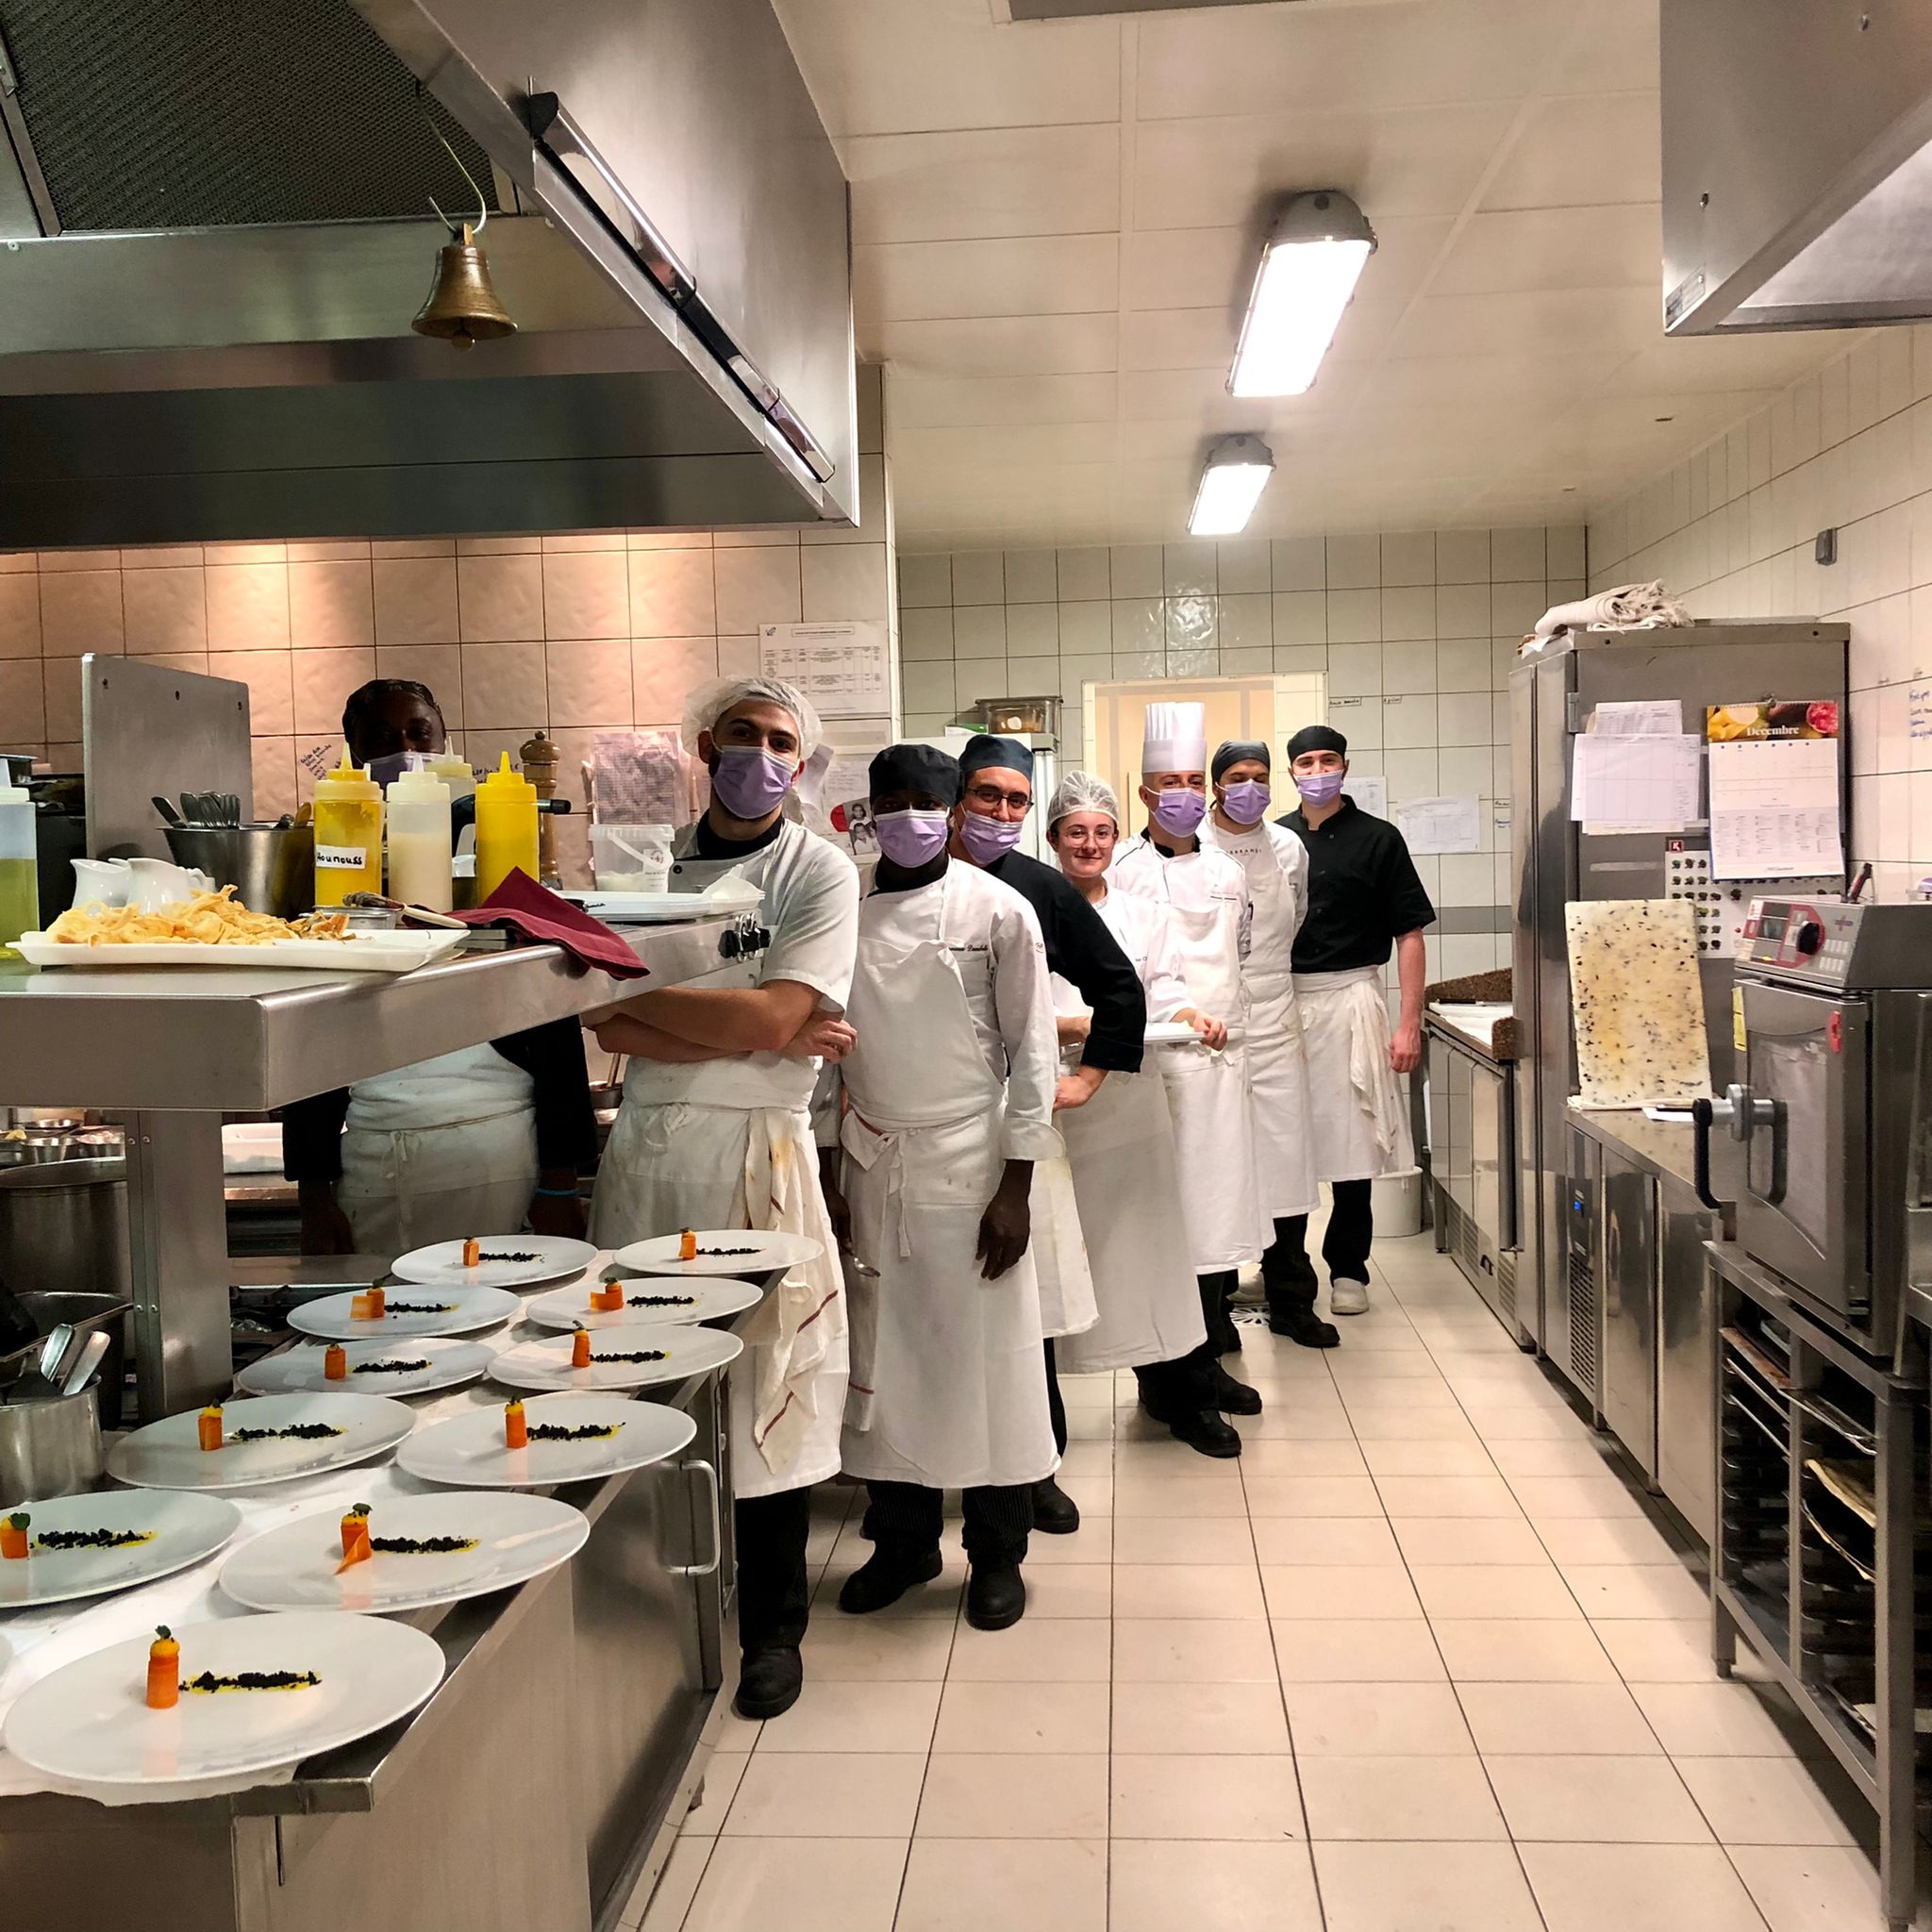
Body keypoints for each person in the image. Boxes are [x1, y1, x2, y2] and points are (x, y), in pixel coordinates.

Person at [587, 675, 859, 1722]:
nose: (762, 755)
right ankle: (656, 1610)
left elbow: (769, 1018)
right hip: (646, 1157)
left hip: (757, 1155)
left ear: (802, 759)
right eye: (743, 735)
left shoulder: (817, 871)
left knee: (760, 1388)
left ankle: (774, 1630)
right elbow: (599, 1024)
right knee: (642, 1381)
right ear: (706, 746)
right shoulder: (645, 861)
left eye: (781, 741)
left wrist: (663, 1007)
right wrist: (758, 1026)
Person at [820, 743, 1060, 1629]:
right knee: (889, 1360)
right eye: (893, 801)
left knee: (987, 1363)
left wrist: (1016, 1187)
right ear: (869, 811)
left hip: (973, 1160)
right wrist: (826, 1166)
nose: (910, 817)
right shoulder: (841, 908)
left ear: (953, 809)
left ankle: (997, 1553)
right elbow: (822, 1046)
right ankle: (903, 1542)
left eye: (928, 802)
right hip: (874, 1156)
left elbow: (1033, 1052)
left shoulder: (998, 909)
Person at [283, 680, 593, 1257]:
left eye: (418, 733)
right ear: (354, 754)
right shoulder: (329, 865)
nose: (404, 750)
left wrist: (559, 1183)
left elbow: (553, 1027)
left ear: (445, 740)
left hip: (501, 1144)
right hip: (374, 1154)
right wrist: (313, 1194)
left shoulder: (493, 853)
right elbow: (311, 1041)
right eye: (381, 739)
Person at [943, 732, 1146, 1536]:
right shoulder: (898, 883)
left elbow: (1119, 988)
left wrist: (1087, 1078)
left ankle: (1037, 1471)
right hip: (913, 1128)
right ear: (956, 799)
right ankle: (920, 1487)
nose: (1000, 813)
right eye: (985, 796)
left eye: (1016, 801)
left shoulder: (1038, 888)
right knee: (933, 1315)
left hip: (1011, 1125)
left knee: (1023, 1310)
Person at [1044, 773, 1239, 1457]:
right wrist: (1073, 1027)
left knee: (1152, 1257)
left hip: (1131, 1104)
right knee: (1056, 1262)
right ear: (1053, 838)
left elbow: (1165, 990)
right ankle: (1039, 1435)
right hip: (1056, 1105)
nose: (1090, 844)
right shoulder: (1027, 908)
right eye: (1076, 832)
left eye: (1102, 832)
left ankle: (1176, 1394)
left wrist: (1193, 1017)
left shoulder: (1144, 915)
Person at [1108, 702, 1268, 1411]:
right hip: (1154, 1071)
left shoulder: (1229, 870)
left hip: (1223, 1066)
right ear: (1145, 793)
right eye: (1168, 782)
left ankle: (1203, 1358)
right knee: (1162, 1225)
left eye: (1192, 781)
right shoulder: (1123, 870)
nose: (1183, 793)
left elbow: (1243, 953)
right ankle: (1164, 1378)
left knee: (1214, 1221)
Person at [1274, 724, 1436, 1315]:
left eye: (1328, 761)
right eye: (1306, 762)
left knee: (1354, 1140)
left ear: (1345, 766)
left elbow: (1409, 934)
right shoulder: (1273, 839)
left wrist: (1408, 1023)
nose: (1317, 771)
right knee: (1282, 1139)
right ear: (1291, 771)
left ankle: (1348, 1268)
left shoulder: (1379, 839)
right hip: (1283, 1005)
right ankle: (1283, 1265)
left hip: (1351, 1000)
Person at [1199, 740, 1337, 1350]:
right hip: (1212, 1025)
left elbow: (1294, 917)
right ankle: (1213, 1311)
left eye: (1259, 776)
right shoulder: (1194, 846)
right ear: (1216, 785)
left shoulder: (1288, 847)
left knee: (1285, 1160)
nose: (1249, 787)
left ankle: (1291, 1299)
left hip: (1277, 1019)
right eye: (1236, 777)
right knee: (1215, 1164)